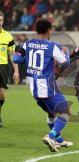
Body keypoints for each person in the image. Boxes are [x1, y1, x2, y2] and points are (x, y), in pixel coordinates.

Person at [13, 19, 72, 152]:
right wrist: (66, 52)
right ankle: (51, 136)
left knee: (51, 112)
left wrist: (27, 60)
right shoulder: (52, 45)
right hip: (47, 86)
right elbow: (65, 62)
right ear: (49, 30)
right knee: (65, 112)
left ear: (36, 30)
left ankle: (59, 140)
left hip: (33, 88)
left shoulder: (27, 44)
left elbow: (16, 59)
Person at [0, 11, 19, 127]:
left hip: (3, 67)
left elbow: (13, 55)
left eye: (0, 20)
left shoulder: (8, 36)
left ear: (2, 21)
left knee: (2, 95)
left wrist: (16, 71)